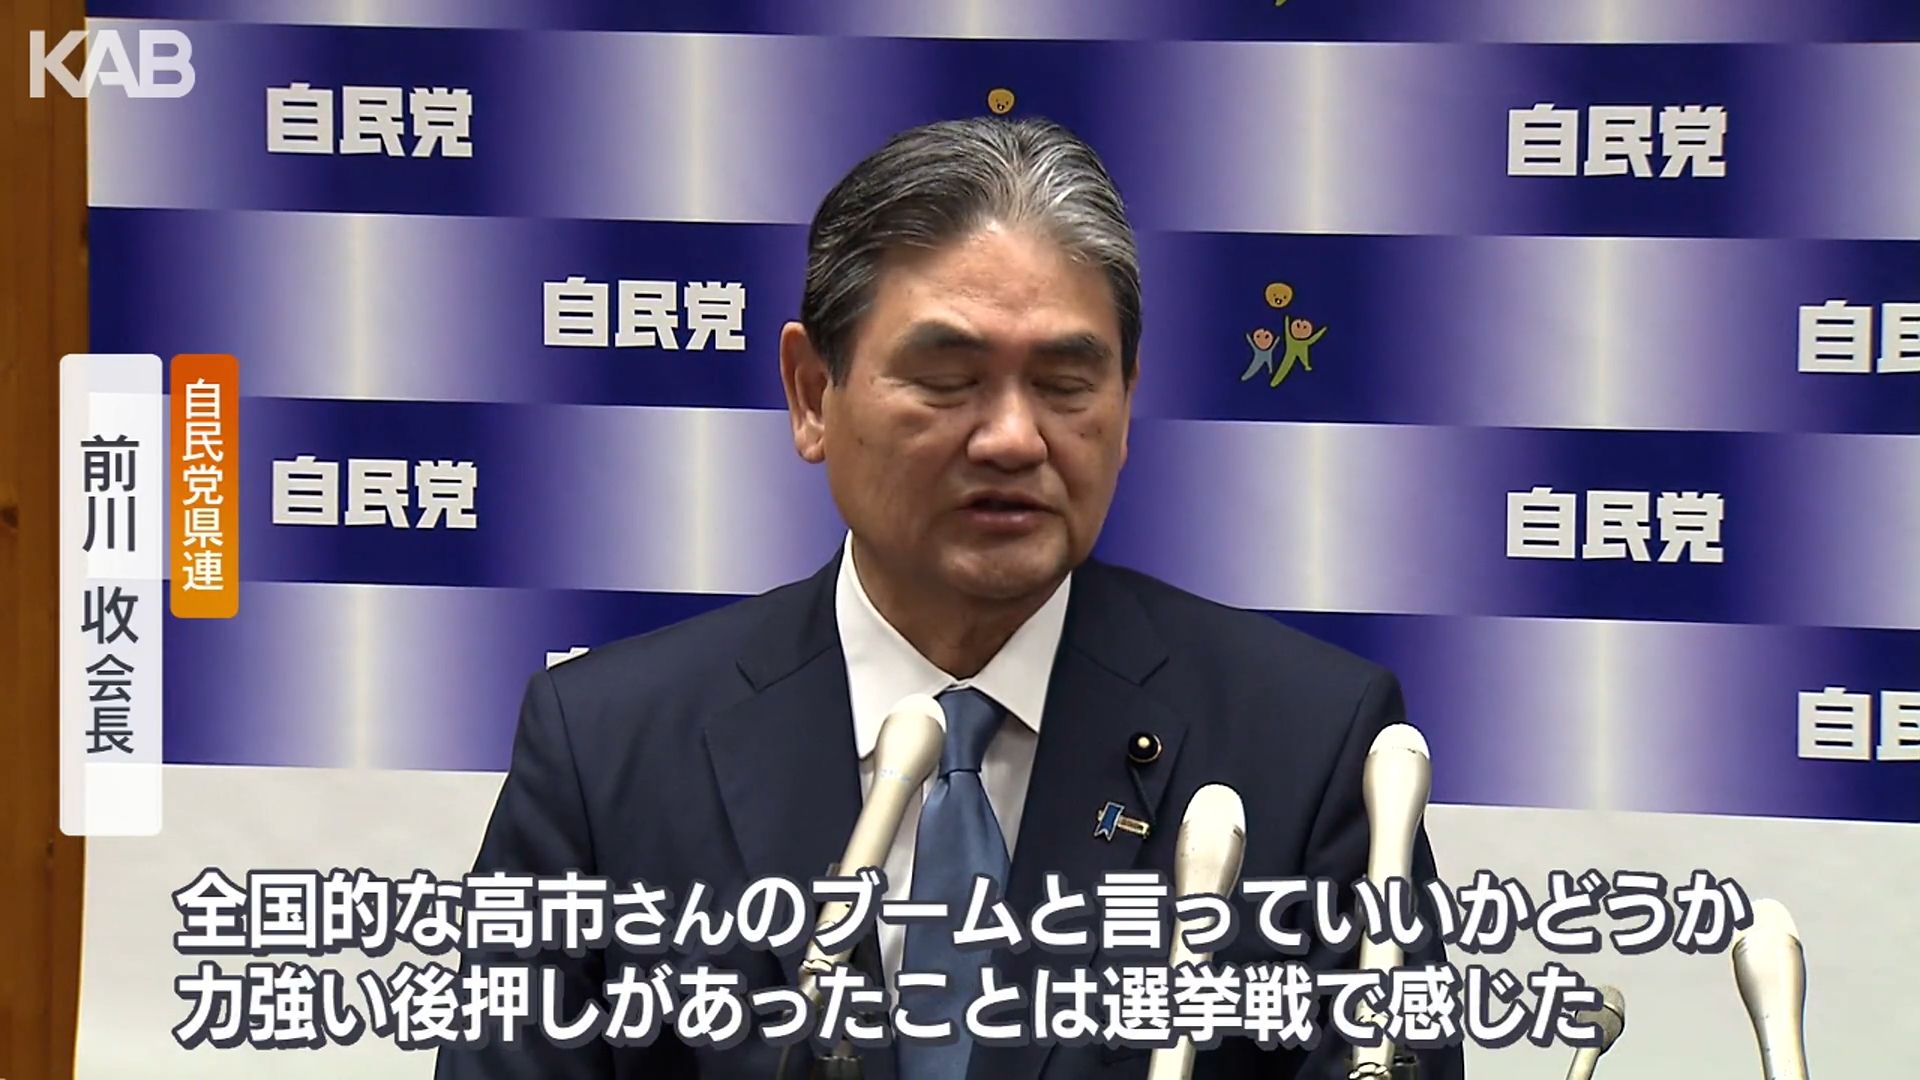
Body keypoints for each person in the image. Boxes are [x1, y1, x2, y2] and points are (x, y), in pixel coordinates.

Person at [436, 116, 1462, 1080]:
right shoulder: (607, 749)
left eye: (1065, 383)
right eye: (948, 379)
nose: (1013, 439)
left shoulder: (1312, 751)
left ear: (1126, 401)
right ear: (812, 395)